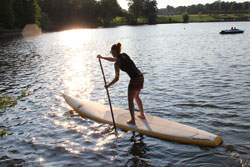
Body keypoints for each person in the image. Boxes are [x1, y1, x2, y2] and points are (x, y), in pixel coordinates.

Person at [97, 43, 145, 124]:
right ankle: (142, 114)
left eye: (111, 52)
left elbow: (117, 78)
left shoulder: (117, 64)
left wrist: (108, 85)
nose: (111, 53)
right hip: (141, 77)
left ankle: (133, 120)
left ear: (115, 51)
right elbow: (114, 59)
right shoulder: (124, 55)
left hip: (134, 80)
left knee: (130, 101)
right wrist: (102, 58)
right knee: (136, 96)